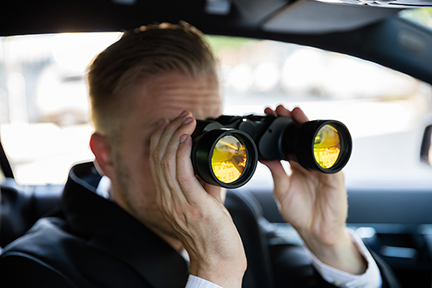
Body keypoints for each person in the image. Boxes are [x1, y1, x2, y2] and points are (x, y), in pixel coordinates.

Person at [0, 22, 399, 288]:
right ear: (106, 155)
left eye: (210, 131)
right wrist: (214, 270)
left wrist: (327, 241)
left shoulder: (237, 211)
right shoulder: (34, 270)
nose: (199, 157)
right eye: (170, 137)